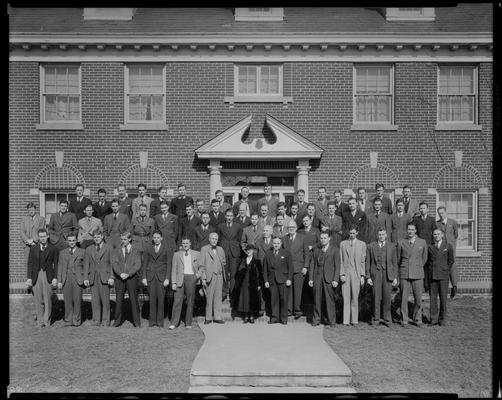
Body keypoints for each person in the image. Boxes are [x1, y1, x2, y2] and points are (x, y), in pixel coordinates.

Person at [396, 223, 428, 327]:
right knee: (404, 298)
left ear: (415, 231)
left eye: (412, 229)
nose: (410, 231)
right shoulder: (401, 242)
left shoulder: (422, 242)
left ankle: (417, 319)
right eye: (408, 229)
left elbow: (424, 258)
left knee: (418, 298)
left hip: (418, 273)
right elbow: (398, 259)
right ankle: (404, 319)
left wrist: (417, 266)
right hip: (405, 273)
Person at [365, 228, 398, 326]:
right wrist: (368, 277)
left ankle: (387, 319)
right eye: (379, 234)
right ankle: (376, 318)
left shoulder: (392, 246)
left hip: (388, 274)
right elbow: (367, 263)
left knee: (387, 297)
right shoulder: (371, 246)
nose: (381, 236)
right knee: (376, 297)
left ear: (386, 235)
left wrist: (395, 276)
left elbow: (395, 263)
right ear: (377, 235)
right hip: (376, 274)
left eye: (383, 234)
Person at [26, 228, 58, 327]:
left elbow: (56, 264)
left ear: (47, 236)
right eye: (41, 237)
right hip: (36, 274)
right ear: (38, 237)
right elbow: (30, 263)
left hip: (48, 274)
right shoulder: (33, 248)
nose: (43, 238)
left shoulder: (53, 248)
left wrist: (55, 278)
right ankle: (40, 321)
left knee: (48, 299)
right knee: (38, 299)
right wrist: (29, 278)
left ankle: (46, 321)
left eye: (44, 236)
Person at [308, 231, 340, 327]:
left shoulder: (335, 250)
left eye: (325, 238)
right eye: (321, 238)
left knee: (329, 300)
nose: (323, 240)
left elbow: (337, 265)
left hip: (329, 278)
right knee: (316, 300)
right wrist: (311, 278)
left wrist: (335, 279)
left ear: (329, 238)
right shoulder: (317, 250)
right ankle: (316, 319)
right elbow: (313, 264)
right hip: (317, 277)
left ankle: (331, 321)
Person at [142, 230, 173, 328]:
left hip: (162, 277)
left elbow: (169, 264)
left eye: (158, 237)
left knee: (161, 299)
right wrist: (144, 277)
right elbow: (145, 263)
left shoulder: (167, 249)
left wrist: (167, 278)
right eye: (154, 237)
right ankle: (152, 321)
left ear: (161, 238)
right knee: (151, 299)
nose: (156, 239)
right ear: (152, 238)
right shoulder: (148, 248)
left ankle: (160, 321)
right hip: (150, 276)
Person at [83, 229, 114, 326]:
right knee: (95, 300)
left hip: (105, 277)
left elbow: (112, 264)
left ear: (102, 237)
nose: (96, 239)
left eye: (98, 237)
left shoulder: (109, 248)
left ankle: (105, 320)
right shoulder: (89, 249)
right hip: (93, 277)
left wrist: (111, 277)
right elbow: (86, 265)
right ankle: (96, 320)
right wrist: (85, 278)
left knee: (105, 300)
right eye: (95, 237)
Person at [170, 237, 202, 329]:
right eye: (183, 243)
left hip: (191, 277)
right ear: (181, 244)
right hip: (180, 278)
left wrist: (197, 276)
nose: (185, 245)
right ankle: (174, 323)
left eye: (187, 243)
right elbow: (174, 270)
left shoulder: (197, 253)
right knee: (177, 300)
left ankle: (188, 323)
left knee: (190, 301)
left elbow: (201, 267)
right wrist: (174, 282)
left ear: (190, 243)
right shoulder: (177, 254)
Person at [111, 232, 142, 327]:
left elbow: (137, 264)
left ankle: (136, 322)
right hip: (120, 278)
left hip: (131, 278)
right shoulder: (117, 250)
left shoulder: (136, 250)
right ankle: (117, 321)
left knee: (133, 300)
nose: (122, 241)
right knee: (119, 300)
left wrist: (128, 274)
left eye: (124, 239)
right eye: (122, 239)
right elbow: (114, 263)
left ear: (129, 239)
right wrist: (120, 273)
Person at [339, 225, 367, 326]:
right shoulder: (343, 244)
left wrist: (363, 276)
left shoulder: (362, 244)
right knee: (346, 297)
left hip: (356, 274)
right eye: (350, 233)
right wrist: (341, 273)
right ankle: (345, 320)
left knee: (355, 297)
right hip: (346, 273)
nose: (352, 235)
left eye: (353, 233)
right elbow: (341, 260)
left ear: (357, 233)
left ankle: (354, 320)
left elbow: (363, 261)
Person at [57, 233, 85, 327]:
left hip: (77, 278)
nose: (71, 242)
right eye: (70, 241)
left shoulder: (82, 251)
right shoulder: (62, 252)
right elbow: (60, 267)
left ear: (76, 241)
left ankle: (76, 320)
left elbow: (86, 266)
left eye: (73, 240)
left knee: (77, 300)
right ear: (66, 241)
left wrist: (85, 278)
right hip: (66, 278)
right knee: (67, 300)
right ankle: (68, 319)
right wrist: (59, 280)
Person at [427, 229, 455, 326]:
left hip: (443, 276)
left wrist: (446, 269)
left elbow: (451, 261)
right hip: (433, 276)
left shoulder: (448, 246)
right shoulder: (430, 247)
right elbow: (428, 263)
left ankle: (442, 319)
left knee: (443, 298)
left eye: (438, 234)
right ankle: (433, 319)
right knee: (433, 299)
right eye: (435, 234)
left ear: (442, 235)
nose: (436, 236)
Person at [283, 220, 310, 319]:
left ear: (296, 228)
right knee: (288, 290)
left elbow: (307, 253)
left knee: (298, 291)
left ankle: (297, 310)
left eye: (293, 227)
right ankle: (289, 310)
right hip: (287, 269)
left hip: (299, 268)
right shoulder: (284, 239)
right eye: (289, 227)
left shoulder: (302, 238)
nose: (291, 229)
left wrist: (306, 266)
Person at [263, 236, 293, 324]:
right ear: (273, 243)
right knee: (274, 299)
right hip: (272, 280)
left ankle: (284, 319)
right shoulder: (268, 254)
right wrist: (266, 281)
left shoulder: (286, 253)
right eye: (275, 243)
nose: (276, 245)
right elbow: (264, 269)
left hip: (283, 280)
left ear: (281, 244)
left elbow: (290, 267)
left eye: (278, 243)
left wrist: (289, 279)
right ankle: (275, 317)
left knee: (283, 299)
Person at [199, 232, 226, 324]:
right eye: (213, 239)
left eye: (216, 239)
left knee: (218, 296)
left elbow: (224, 261)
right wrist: (203, 277)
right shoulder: (204, 249)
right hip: (210, 275)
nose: (214, 240)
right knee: (209, 297)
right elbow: (201, 264)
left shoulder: (220, 249)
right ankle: (208, 317)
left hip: (219, 275)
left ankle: (217, 317)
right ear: (209, 239)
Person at [217, 209, 243, 301]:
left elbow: (239, 240)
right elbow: (218, 240)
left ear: (233, 217)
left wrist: (236, 248)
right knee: (224, 274)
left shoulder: (238, 227)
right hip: (223, 252)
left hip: (234, 253)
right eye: (227, 216)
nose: (229, 218)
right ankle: (224, 293)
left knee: (233, 274)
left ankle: (233, 294)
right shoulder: (220, 226)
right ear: (225, 216)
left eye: (231, 216)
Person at [235, 244, 261, 323]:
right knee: (245, 299)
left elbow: (259, 274)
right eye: (247, 250)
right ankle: (246, 316)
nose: (248, 251)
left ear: (253, 251)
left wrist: (259, 284)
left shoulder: (257, 261)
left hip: (253, 283)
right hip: (244, 283)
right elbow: (238, 272)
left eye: (250, 250)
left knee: (252, 298)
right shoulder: (242, 260)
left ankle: (252, 316)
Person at [436, 206, 459, 298]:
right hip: (442, 247)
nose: (441, 215)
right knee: (442, 265)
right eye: (439, 213)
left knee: (452, 265)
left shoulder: (453, 222)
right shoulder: (437, 223)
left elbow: (456, 235)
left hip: (451, 247)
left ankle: (454, 286)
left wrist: (451, 243)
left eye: (442, 213)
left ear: (446, 212)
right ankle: (443, 287)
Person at [20, 202, 46, 268]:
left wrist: (33, 240)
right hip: (27, 246)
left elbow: (41, 231)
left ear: (35, 209)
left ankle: (36, 278)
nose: (30, 211)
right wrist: (28, 240)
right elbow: (22, 231)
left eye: (32, 210)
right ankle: (28, 278)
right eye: (29, 210)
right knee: (28, 264)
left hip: (37, 244)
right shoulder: (24, 220)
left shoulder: (41, 219)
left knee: (38, 263)